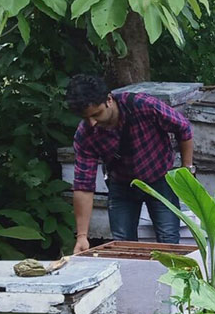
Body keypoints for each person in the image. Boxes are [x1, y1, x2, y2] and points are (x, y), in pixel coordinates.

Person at [65, 74, 195, 253]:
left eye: (96, 114)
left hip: (160, 179)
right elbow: (83, 186)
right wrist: (82, 236)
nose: (92, 122)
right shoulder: (85, 135)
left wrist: (187, 169)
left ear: (109, 99)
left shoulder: (143, 105)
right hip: (122, 185)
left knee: (168, 242)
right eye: (86, 118)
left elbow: (183, 127)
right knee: (123, 247)